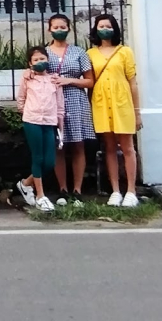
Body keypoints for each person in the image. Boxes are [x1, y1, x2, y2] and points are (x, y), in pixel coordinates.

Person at [87, 13, 142, 208]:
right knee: (108, 148)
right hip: (101, 104)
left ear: (115, 29)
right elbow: (90, 82)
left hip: (122, 103)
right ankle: (116, 190)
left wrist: (137, 111)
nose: (105, 29)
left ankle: (131, 191)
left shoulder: (125, 51)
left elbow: (133, 82)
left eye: (108, 26)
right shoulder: (91, 54)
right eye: (101, 26)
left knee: (127, 147)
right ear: (95, 29)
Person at [46, 13, 96, 206]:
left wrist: (70, 80)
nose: (59, 30)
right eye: (56, 27)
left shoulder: (78, 52)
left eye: (63, 27)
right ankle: (62, 189)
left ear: (69, 29)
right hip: (52, 101)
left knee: (77, 144)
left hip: (75, 100)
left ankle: (77, 189)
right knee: (58, 146)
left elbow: (90, 81)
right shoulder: (44, 52)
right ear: (49, 29)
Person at [15, 46, 65, 212]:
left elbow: (60, 106)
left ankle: (25, 184)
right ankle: (40, 196)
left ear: (48, 60)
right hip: (32, 121)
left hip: (49, 122)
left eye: (42, 59)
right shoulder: (27, 78)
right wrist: (28, 113)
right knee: (38, 158)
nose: (40, 62)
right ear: (30, 63)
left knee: (49, 161)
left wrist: (60, 127)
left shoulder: (54, 80)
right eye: (36, 60)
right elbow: (21, 99)